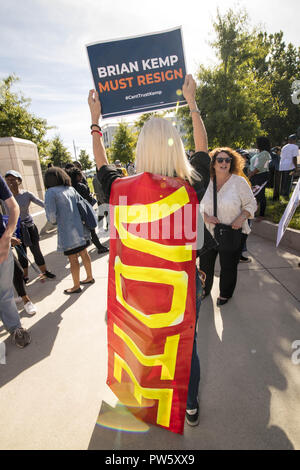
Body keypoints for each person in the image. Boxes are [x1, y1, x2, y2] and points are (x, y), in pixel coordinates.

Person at [88, 74, 211, 427]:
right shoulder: (189, 188)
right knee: (187, 342)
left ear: (141, 150)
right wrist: (192, 103)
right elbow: (202, 153)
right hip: (184, 287)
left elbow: (102, 167)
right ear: (176, 145)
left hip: (136, 290)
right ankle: (188, 405)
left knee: (140, 339)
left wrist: (96, 122)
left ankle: (141, 400)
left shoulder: (120, 191)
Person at [200, 148, 257, 306]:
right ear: (213, 163)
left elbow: (251, 203)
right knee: (205, 265)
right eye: (220, 160)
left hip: (231, 231)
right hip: (207, 231)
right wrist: (206, 217)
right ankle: (204, 289)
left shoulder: (239, 182)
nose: (224, 163)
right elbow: (196, 204)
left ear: (232, 163)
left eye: (227, 160)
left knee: (228, 266)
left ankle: (225, 293)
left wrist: (241, 217)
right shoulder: (206, 181)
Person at [44, 167, 94, 294]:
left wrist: (55, 221)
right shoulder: (71, 189)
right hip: (80, 229)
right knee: (84, 253)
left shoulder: (50, 192)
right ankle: (89, 277)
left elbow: (51, 216)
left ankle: (76, 286)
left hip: (67, 232)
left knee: (73, 259)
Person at [4, 170, 55, 283]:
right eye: (7, 180)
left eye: (13, 179)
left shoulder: (26, 194)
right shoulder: (5, 198)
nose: (10, 182)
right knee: (22, 255)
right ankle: (25, 276)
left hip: (29, 227)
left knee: (36, 251)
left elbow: (42, 204)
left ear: (19, 181)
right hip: (16, 230)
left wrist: (55, 209)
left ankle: (44, 271)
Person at [0, 174, 31, 348]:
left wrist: (7, 237)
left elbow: (14, 207)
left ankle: (15, 328)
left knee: (5, 294)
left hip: (1, 246)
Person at [68, 167, 108, 254]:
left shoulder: (69, 189)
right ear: (76, 176)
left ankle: (83, 250)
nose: (81, 176)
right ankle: (99, 247)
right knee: (92, 231)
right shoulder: (81, 186)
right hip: (85, 212)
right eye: (80, 175)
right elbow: (89, 200)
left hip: (74, 214)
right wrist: (91, 196)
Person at [248, 137, 271, 219]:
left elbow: (259, 167)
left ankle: (261, 215)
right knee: (255, 195)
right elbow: (252, 165)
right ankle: (254, 212)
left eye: (257, 142)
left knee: (260, 194)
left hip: (261, 176)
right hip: (254, 176)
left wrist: (250, 175)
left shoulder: (265, 153)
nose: (255, 144)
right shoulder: (258, 153)